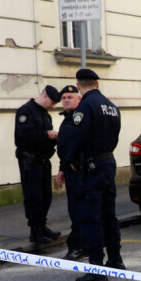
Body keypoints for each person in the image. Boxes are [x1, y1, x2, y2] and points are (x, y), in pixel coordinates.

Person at [58, 68, 122, 281]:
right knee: (109, 214)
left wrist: (67, 160)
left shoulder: (85, 106)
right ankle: (115, 259)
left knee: (90, 216)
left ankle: (97, 268)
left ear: (79, 86)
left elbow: (78, 136)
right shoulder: (111, 106)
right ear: (96, 83)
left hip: (91, 167)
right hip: (108, 163)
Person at [15, 85, 62, 245]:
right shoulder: (26, 111)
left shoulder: (44, 114)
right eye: (53, 103)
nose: (54, 106)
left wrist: (53, 138)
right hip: (30, 161)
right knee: (33, 196)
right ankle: (35, 231)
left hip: (42, 160)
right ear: (46, 97)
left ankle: (42, 226)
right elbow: (22, 137)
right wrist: (46, 135)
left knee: (45, 196)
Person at [55, 85, 85, 261]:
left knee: (78, 210)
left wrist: (71, 163)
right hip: (69, 168)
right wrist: (61, 167)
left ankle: (77, 246)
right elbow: (64, 146)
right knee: (75, 209)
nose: (66, 100)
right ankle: (82, 244)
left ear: (79, 99)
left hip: (78, 170)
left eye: (70, 97)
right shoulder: (67, 118)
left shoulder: (78, 118)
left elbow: (78, 144)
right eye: (64, 97)